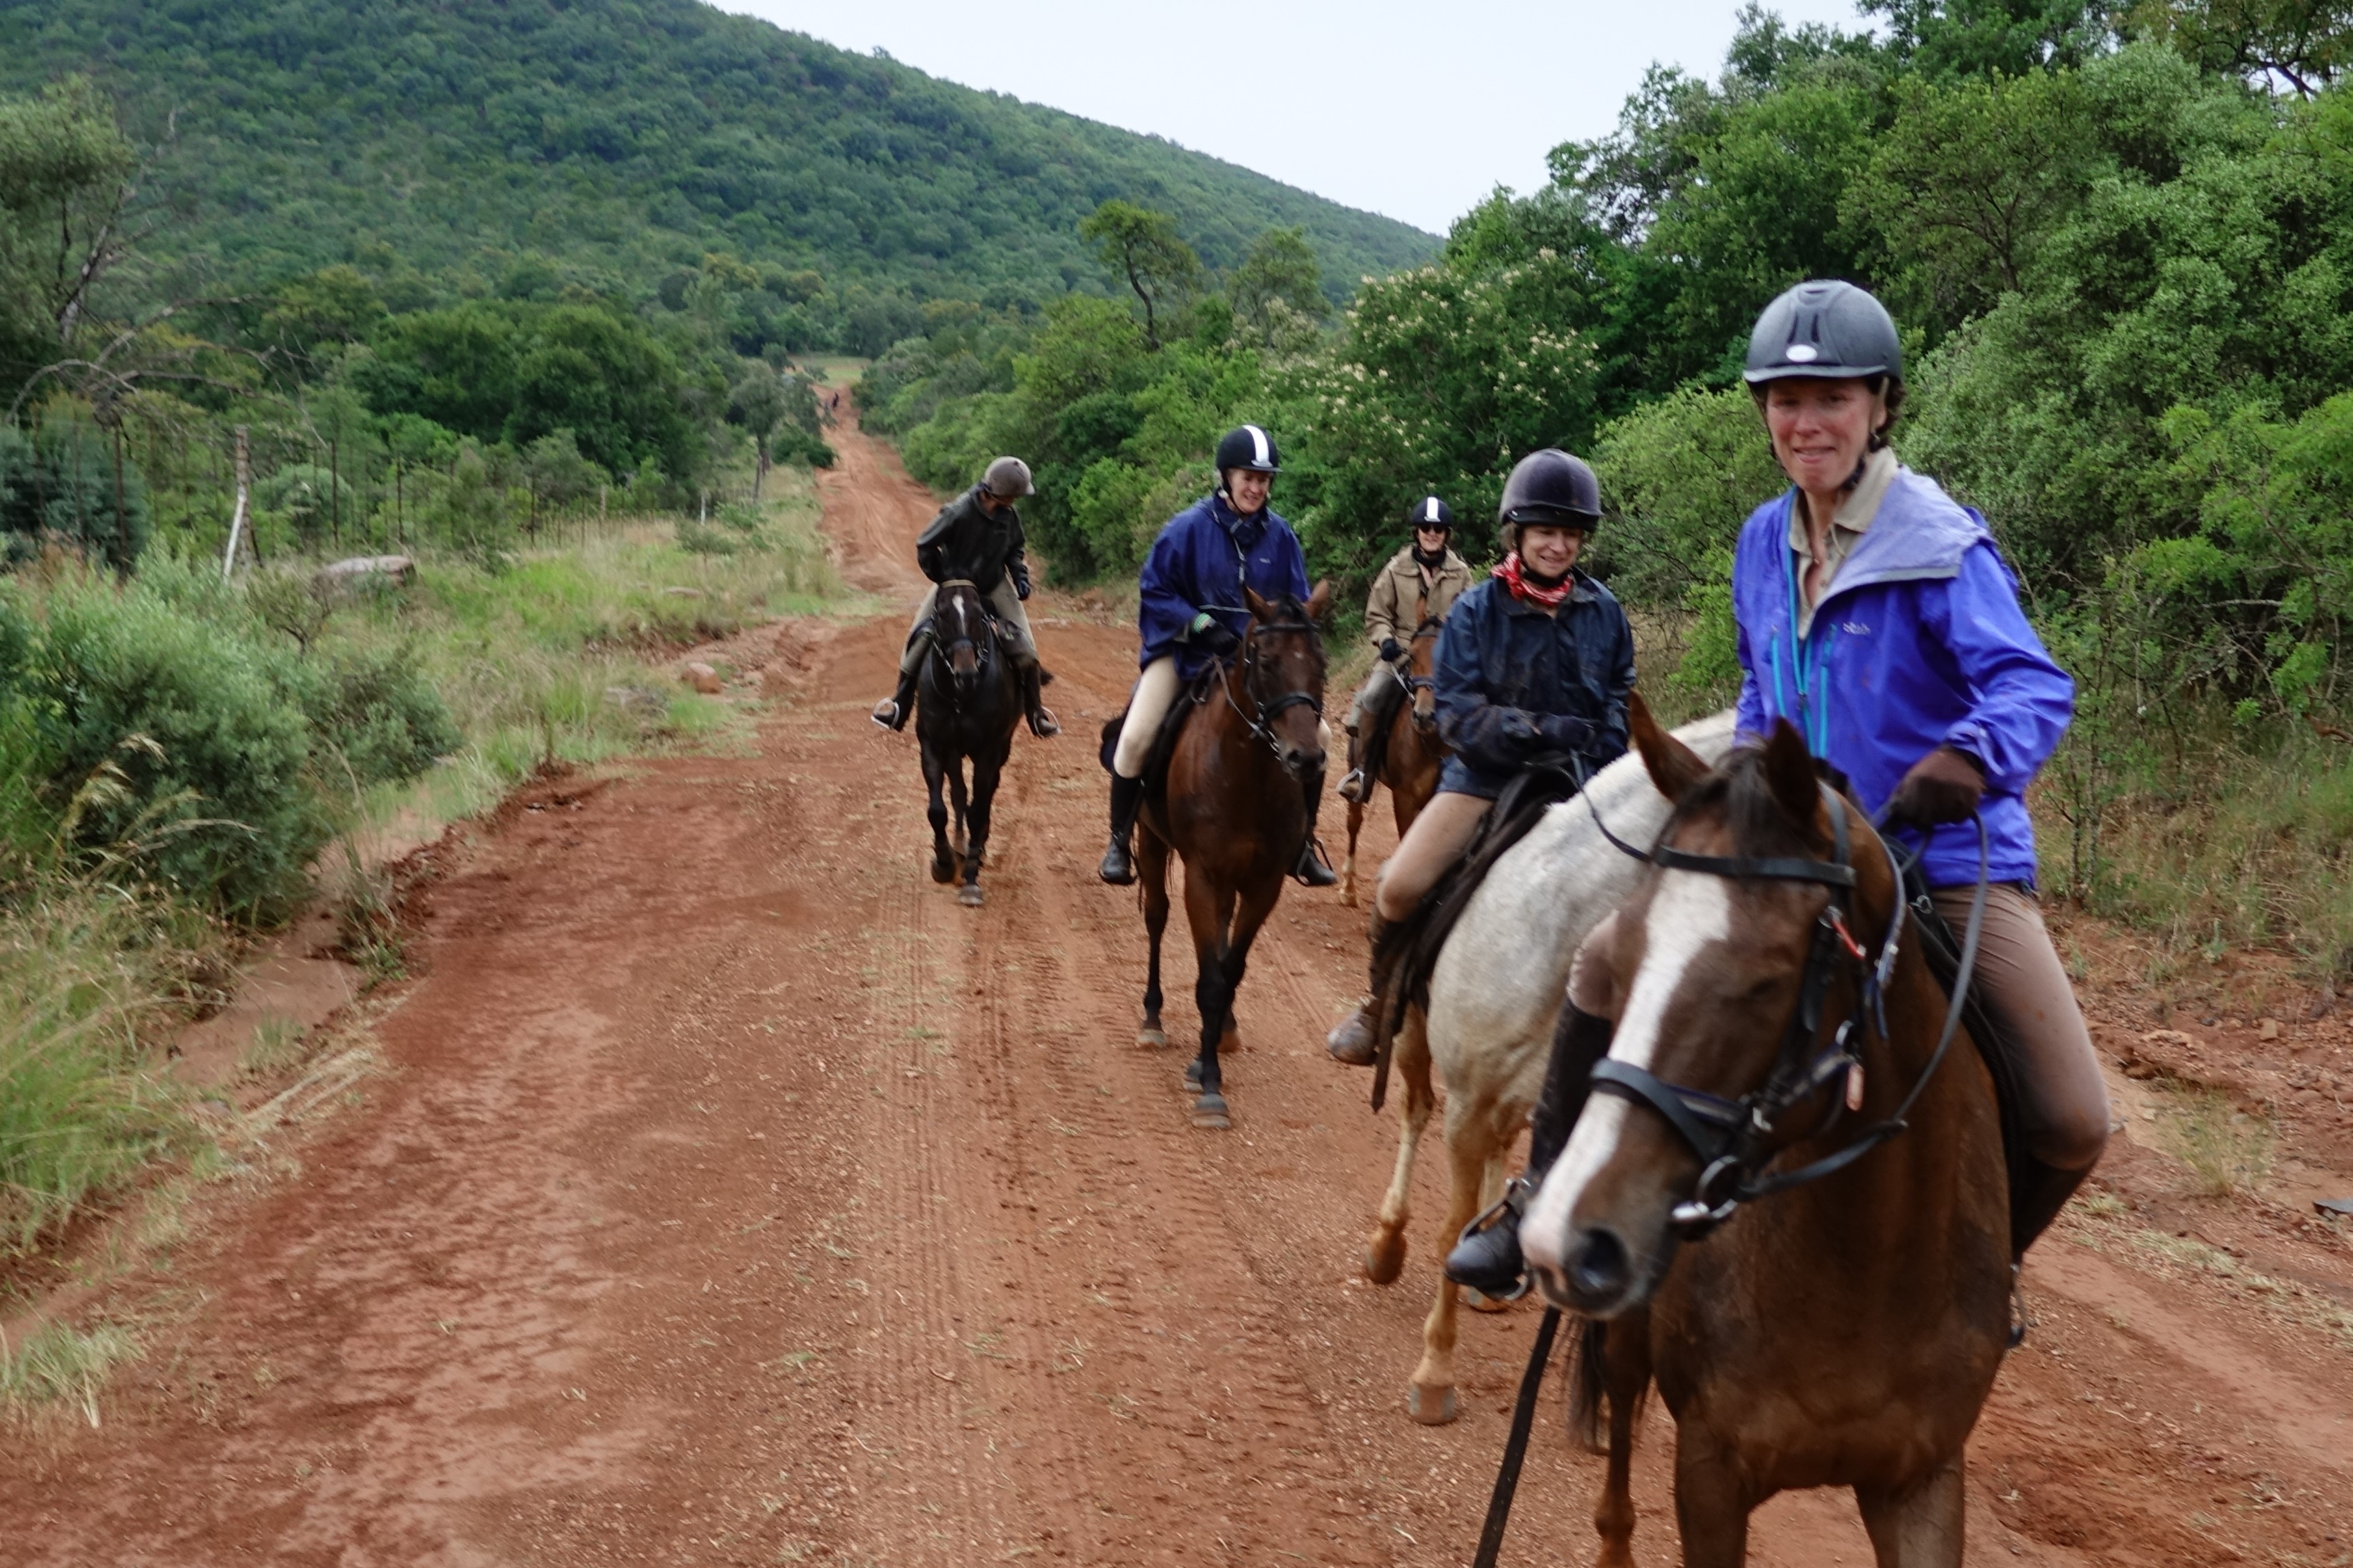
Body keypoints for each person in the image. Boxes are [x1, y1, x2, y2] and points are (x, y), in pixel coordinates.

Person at [1443, 278, 2106, 1298]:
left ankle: (1984, 1265)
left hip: (1941, 856)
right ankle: (1540, 1190)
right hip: (1790, 850)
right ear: (1764, 414)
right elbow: (1764, 690)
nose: (1808, 424)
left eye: (1833, 399)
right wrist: (1740, 783)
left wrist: (1967, 760)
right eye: (1788, 403)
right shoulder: (1762, 540)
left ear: (1880, 405)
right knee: (1605, 960)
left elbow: (2031, 683)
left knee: (2071, 1115)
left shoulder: (1939, 546)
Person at [1324, 450, 1635, 1067]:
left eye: (1570, 533)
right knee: (1399, 884)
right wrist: (1553, 729)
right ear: (1518, 534)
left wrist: (1598, 748)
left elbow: (1619, 702)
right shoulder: (1475, 611)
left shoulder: (1605, 613)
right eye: (1546, 532)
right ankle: (1381, 1003)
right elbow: (1462, 719)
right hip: (1485, 779)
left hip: (1584, 781)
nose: (1558, 545)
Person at [1099, 423, 1336, 889]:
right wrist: (1202, 625)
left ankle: (1303, 843)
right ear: (1226, 477)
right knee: (1136, 736)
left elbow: (1296, 605)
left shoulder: (1283, 537)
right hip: (1189, 654)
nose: (1256, 487)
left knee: (1321, 738)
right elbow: (1155, 591)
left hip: (1258, 663)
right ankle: (1119, 838)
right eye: (1248, 477)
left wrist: (1286, 640)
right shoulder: (1186, 529)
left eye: (1264, 480)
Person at [871, 456, 1058, 739]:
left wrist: (1019, 576)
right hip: (955, 584)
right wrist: (942, 578)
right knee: (918, 637)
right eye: (1013, 495)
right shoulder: (958, 511)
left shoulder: (1008, 516)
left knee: (1027, 648)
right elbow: (925, 543)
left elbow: (1015, 549)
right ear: (996, 492)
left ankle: (1036, 713)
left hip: (994, 583)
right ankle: (900, 705)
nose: (1016, 500)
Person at [1335, 495, 1477, 804]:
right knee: (1373, 695)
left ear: (1446, 534)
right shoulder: (1395, 569)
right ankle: (1362, 773)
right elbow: (1377, 613)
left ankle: (1479, 774)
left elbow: (1472, 619)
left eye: (1438, 528)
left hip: (1445, 658)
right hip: (1400, 651)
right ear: (1416, 532)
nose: (1432, 533)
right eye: (1426, 527)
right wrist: (1385, 640)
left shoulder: (1461, 573)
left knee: (1478, 698)